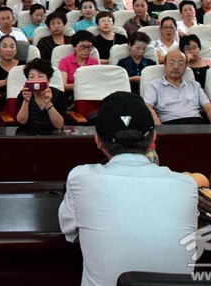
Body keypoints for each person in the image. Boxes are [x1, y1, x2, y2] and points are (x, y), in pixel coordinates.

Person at [59, 91, 197, 286]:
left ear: (97, 140)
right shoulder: (187, 186)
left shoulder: (80, 178)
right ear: (154, 138)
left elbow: (69, 232)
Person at [144, 51, 211, 125]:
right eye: (172, 63)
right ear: (165, 65)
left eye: (180, 63)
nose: (176, 67)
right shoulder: (154, 86)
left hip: (195, 123)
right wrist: (158, 126)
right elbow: (148, 106)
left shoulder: (194, 85)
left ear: (186, 66)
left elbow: (209, 107)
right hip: (169, 124)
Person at [15, 58, 67, 135]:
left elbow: (59, 125)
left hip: (52, 135)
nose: (36, 80)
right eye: (32, 77)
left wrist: (48, 103)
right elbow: (21, 122)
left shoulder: (59, 95)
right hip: (29, 135)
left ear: (48, 80)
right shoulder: (24, 94)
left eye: (40, 76)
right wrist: (26, 101)